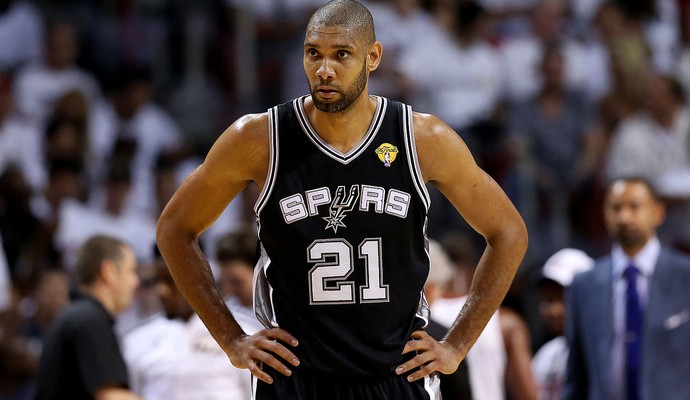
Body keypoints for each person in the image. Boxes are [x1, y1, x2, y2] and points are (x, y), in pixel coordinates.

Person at [156, 0, 528, 398]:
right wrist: (230, 338)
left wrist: (456, 344)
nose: (324, 69)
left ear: (373, 57)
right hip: (296, 378)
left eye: (341, 55)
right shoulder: (259, 139)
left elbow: (508, 232)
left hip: (396, 377)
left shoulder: (422, 139)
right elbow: (175, 229)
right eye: (313, 54)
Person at [563, 177, 690, 400]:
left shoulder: (685, 277)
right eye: (615, 207)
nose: (624, 217)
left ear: (658, 212)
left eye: (634, 206)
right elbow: (577, 375)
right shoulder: (584, 285)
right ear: (604, 214)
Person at [122, 246, 252, 400]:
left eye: (171, 281)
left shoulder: (242, 333)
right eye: (158, 281)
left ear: (198, 279)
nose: (162, 291)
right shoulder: (137, 339)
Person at [34, 235, 141, 400]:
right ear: (109, 272)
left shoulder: (77, 315)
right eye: (131, 271)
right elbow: (111, 396)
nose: (136, 282)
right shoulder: (90, 320)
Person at [531, 248, 594, 400]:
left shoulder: (607, 352)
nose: (553, 310)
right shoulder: (546, 356)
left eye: (562, 298)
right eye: (548, 299)